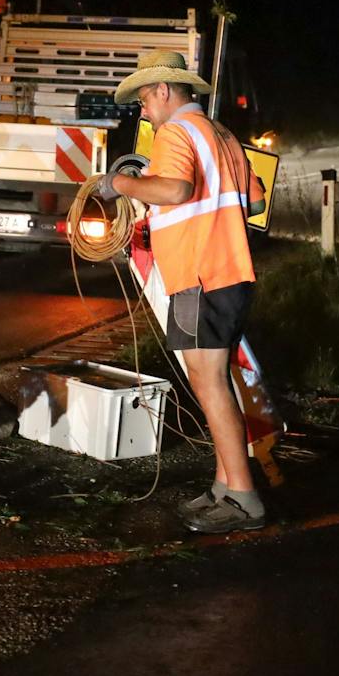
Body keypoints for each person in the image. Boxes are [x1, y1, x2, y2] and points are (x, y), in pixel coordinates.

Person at [100, 50, 268, 533]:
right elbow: (254, 199)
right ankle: (225, 485)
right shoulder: (222, 134)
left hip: (199, 275)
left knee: (210, 384)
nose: (144, 114)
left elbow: (174, 191)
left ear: (163, 91)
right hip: (230, 272)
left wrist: (121, 183)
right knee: (218, 384)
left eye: (143, 103)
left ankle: (242, 498)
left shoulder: (175, 132)